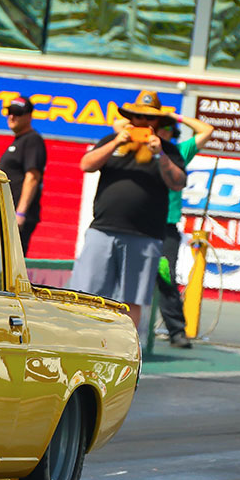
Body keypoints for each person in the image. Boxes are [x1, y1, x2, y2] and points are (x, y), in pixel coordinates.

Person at [68, 90, 187, 331]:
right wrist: (116, 142)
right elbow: (86, 165)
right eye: (138, 117)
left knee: (132, 300)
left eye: (149, 118)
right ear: (130, 118)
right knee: (87, 293)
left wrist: (160, 154)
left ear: (157, 122)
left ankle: (127, 345)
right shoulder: (112, 141)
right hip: (103, 229)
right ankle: (82, 339)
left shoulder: (167, 150)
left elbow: (178, 183)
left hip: (145, 236)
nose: (142, 122)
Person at [155, 112, 214, 348]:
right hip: (138, 223)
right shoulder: (137, 147)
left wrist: (174, 116)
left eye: (170, 129)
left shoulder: (177, 152)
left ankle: (177, 332)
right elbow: (119, 124)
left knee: (165, 275)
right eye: (162, 127)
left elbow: (206, 130)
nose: (166, 133)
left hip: (166, 226)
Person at [0, 96, 46, 254]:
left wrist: (20, 213)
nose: (12, 117)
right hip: (7, 212)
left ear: (29, 116)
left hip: (16, 216)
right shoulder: (19, 141)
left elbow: (32, 177)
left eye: (17, 113)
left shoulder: (32, 140)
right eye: (10, 112)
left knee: (11, 259)